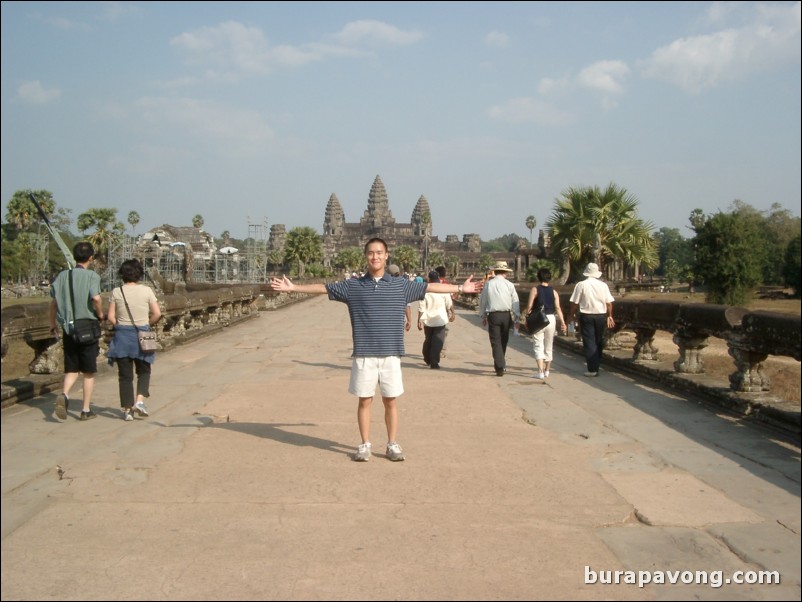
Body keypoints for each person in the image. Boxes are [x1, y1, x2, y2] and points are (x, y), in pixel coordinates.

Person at [270, 237, 483, 462]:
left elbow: (430, 287)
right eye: (371, 253)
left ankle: (392, 443)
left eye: (379, 252)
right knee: (365, 400)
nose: (375, 256)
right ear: (366, 256)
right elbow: (324, 288)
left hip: (391, 353)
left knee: (390, 400)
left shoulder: (401, 285)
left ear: (386, 255)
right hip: (364, 353)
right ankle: (364, 444)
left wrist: (460, 287)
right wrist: (293, 287)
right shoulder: (352, 286)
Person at [49, 242, 104, 421]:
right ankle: (86, 409)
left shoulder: (62, 276)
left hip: (68, 327)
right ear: (91, 258)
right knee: (88, 372)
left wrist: (53, 323)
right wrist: (100, 314)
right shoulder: (91, 276)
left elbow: (54, 303)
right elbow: (95, 298)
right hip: (87, 325)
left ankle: (64, 394)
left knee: (71, 368)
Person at [106, 259, 162, 421]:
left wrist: (121, 326)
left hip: (122, 337)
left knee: (125, 375)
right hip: (142, 335)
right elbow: (157, 313)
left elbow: (110, 317)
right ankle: (139, 401)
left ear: (122, 275)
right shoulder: (146, 291)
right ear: (139, 274)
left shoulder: (117, 292)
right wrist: (145, 325)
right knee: (144, 371)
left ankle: (127, 410)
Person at [566, 262, 615, 377]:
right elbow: (609, 303)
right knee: (598, 340)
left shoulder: (581, 285)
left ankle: (592, 368)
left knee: (589, 341)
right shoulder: (603, 285)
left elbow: (574, 303)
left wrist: (571, 315)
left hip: (586, 315)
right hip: (600, 315)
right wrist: (609, 316)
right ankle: (596, 365)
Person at [478, 260, 520, 376]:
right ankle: (500, 364)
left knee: (495, 341)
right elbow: (515, 302)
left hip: (494, 315)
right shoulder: (509, 285)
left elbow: (483, 301)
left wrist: (483, 315)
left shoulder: (489, 284)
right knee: (503, 340)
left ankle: (500, 365)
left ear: (495, 271)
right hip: (506, 315)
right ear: (505, 273)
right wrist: (517, 317)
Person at [523, 268, 566, 379]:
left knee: (538, 344)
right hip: (551, 318)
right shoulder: (554, 291)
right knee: (549, 345)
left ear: (538, 277)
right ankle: (547, 370)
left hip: (539, 319)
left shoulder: (535, 290)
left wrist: (526, 319)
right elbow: (558, 308)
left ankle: (540, 371)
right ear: (549, 278)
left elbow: (529, 307)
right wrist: (563, 322)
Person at [417, 271, 455, 369]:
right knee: (438, 341)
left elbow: (421, 308)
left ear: (429, 279)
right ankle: (434, 362)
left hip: (428, 320)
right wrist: (453, 313)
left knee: (428, 339)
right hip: (440, 319)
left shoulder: (425, 290)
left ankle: (427, 358)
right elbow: (449, 304)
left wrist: (418, 320)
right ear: (438, 278)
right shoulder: (443, 290)